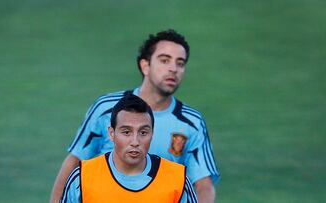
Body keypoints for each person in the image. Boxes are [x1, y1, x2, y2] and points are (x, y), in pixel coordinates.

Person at [51, 29, 219, 203]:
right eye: (164, 60)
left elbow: (203, 184)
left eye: (180, 63)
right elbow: (75, 160)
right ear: (145, 65)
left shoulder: (192, 123)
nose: (173, 69)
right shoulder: (105, 108)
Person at [60, 94, 198, 202]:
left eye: (143, 133)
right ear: (112, 134)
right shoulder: (82, 178)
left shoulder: (177, 180)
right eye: (126, 132)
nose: (135, 141)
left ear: (152, 134)